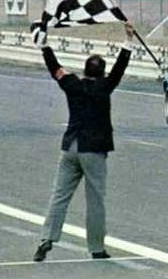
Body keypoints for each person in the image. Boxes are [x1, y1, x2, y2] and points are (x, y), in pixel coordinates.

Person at [34, 22, 134, 262]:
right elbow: (120, 69)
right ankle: (96, 248)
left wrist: (44, 45)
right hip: (94, 150)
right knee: (96, 200)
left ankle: (46, 239)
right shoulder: (105, 87)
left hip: (70, 146)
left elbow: (55, 68)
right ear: (102, 72)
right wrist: (127, 41)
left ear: (85, 69)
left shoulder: (72, 84)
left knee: (59, 195)